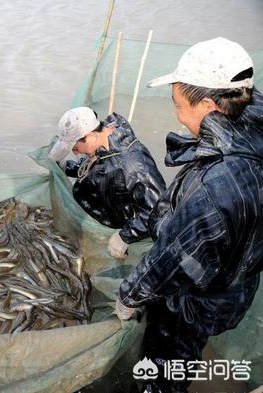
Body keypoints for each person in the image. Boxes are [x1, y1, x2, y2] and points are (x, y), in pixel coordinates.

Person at [116, 37, 263, 393]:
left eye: (179, 105)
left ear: (211, 105)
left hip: (194, 303)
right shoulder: (253, 118)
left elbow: (170, 260)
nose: (176, 115)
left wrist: (128, 296)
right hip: (238, 286)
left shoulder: (215, 189)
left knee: (165, 368)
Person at [48, 107, 166, 258]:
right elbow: (92, 167)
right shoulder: (100, 146)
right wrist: (65, 168)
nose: (75, 152)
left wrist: (126, 236)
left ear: (90, 136)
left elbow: (159, 210)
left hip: (124, 233)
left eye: (75, 147)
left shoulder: (133, 165)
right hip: (100, 218)